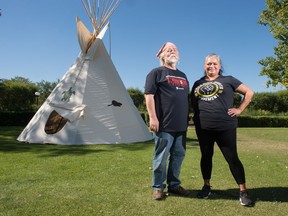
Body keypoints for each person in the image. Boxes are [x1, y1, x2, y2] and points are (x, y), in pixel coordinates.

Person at [191, 53, 254, 206]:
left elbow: (249, 92)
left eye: (214, 63)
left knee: (232, 158)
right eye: (208, 64)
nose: (211, 66)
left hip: (225, 126)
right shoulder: (197, 83)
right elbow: (193, 103)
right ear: (204, 66)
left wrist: (239, 109)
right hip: (203, 127)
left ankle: (243, 191)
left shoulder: (229, 80)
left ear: (219, 66)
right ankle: (206, 186)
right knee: (206, 157)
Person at [144, 42, 190, 200]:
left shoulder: (183, 76)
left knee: (178, 156)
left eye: (175, 49)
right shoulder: (156, 73)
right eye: (168, 50)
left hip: (181, 126)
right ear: (162, 55)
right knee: (161, 157)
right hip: (164, 124)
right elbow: (149, 96)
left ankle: (174, 185)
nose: (172, 51)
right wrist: (153, 117)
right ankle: (158, 187)